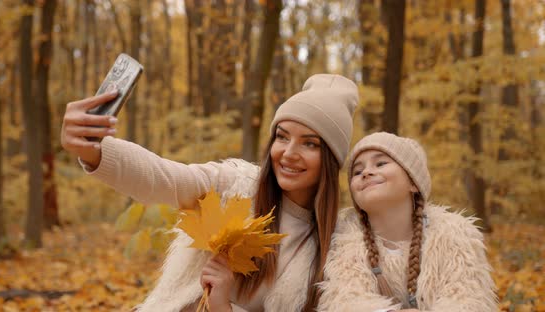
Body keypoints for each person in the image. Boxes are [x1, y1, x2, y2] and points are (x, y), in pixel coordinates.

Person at [60, 74, 358, 311]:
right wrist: (94, 151)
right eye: (282, 137)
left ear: (331, 160)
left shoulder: (336, 249)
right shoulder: (236, 186)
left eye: (310, 144)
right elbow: (166, 178)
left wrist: (223, 307)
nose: (289, 153)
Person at [317, 132, 498, 312]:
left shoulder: (454, 235)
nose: (366, 172)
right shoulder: (345, 242)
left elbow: (469, 300)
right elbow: (344, 301)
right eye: (357, 171)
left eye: (380, 163)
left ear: (413, 183)